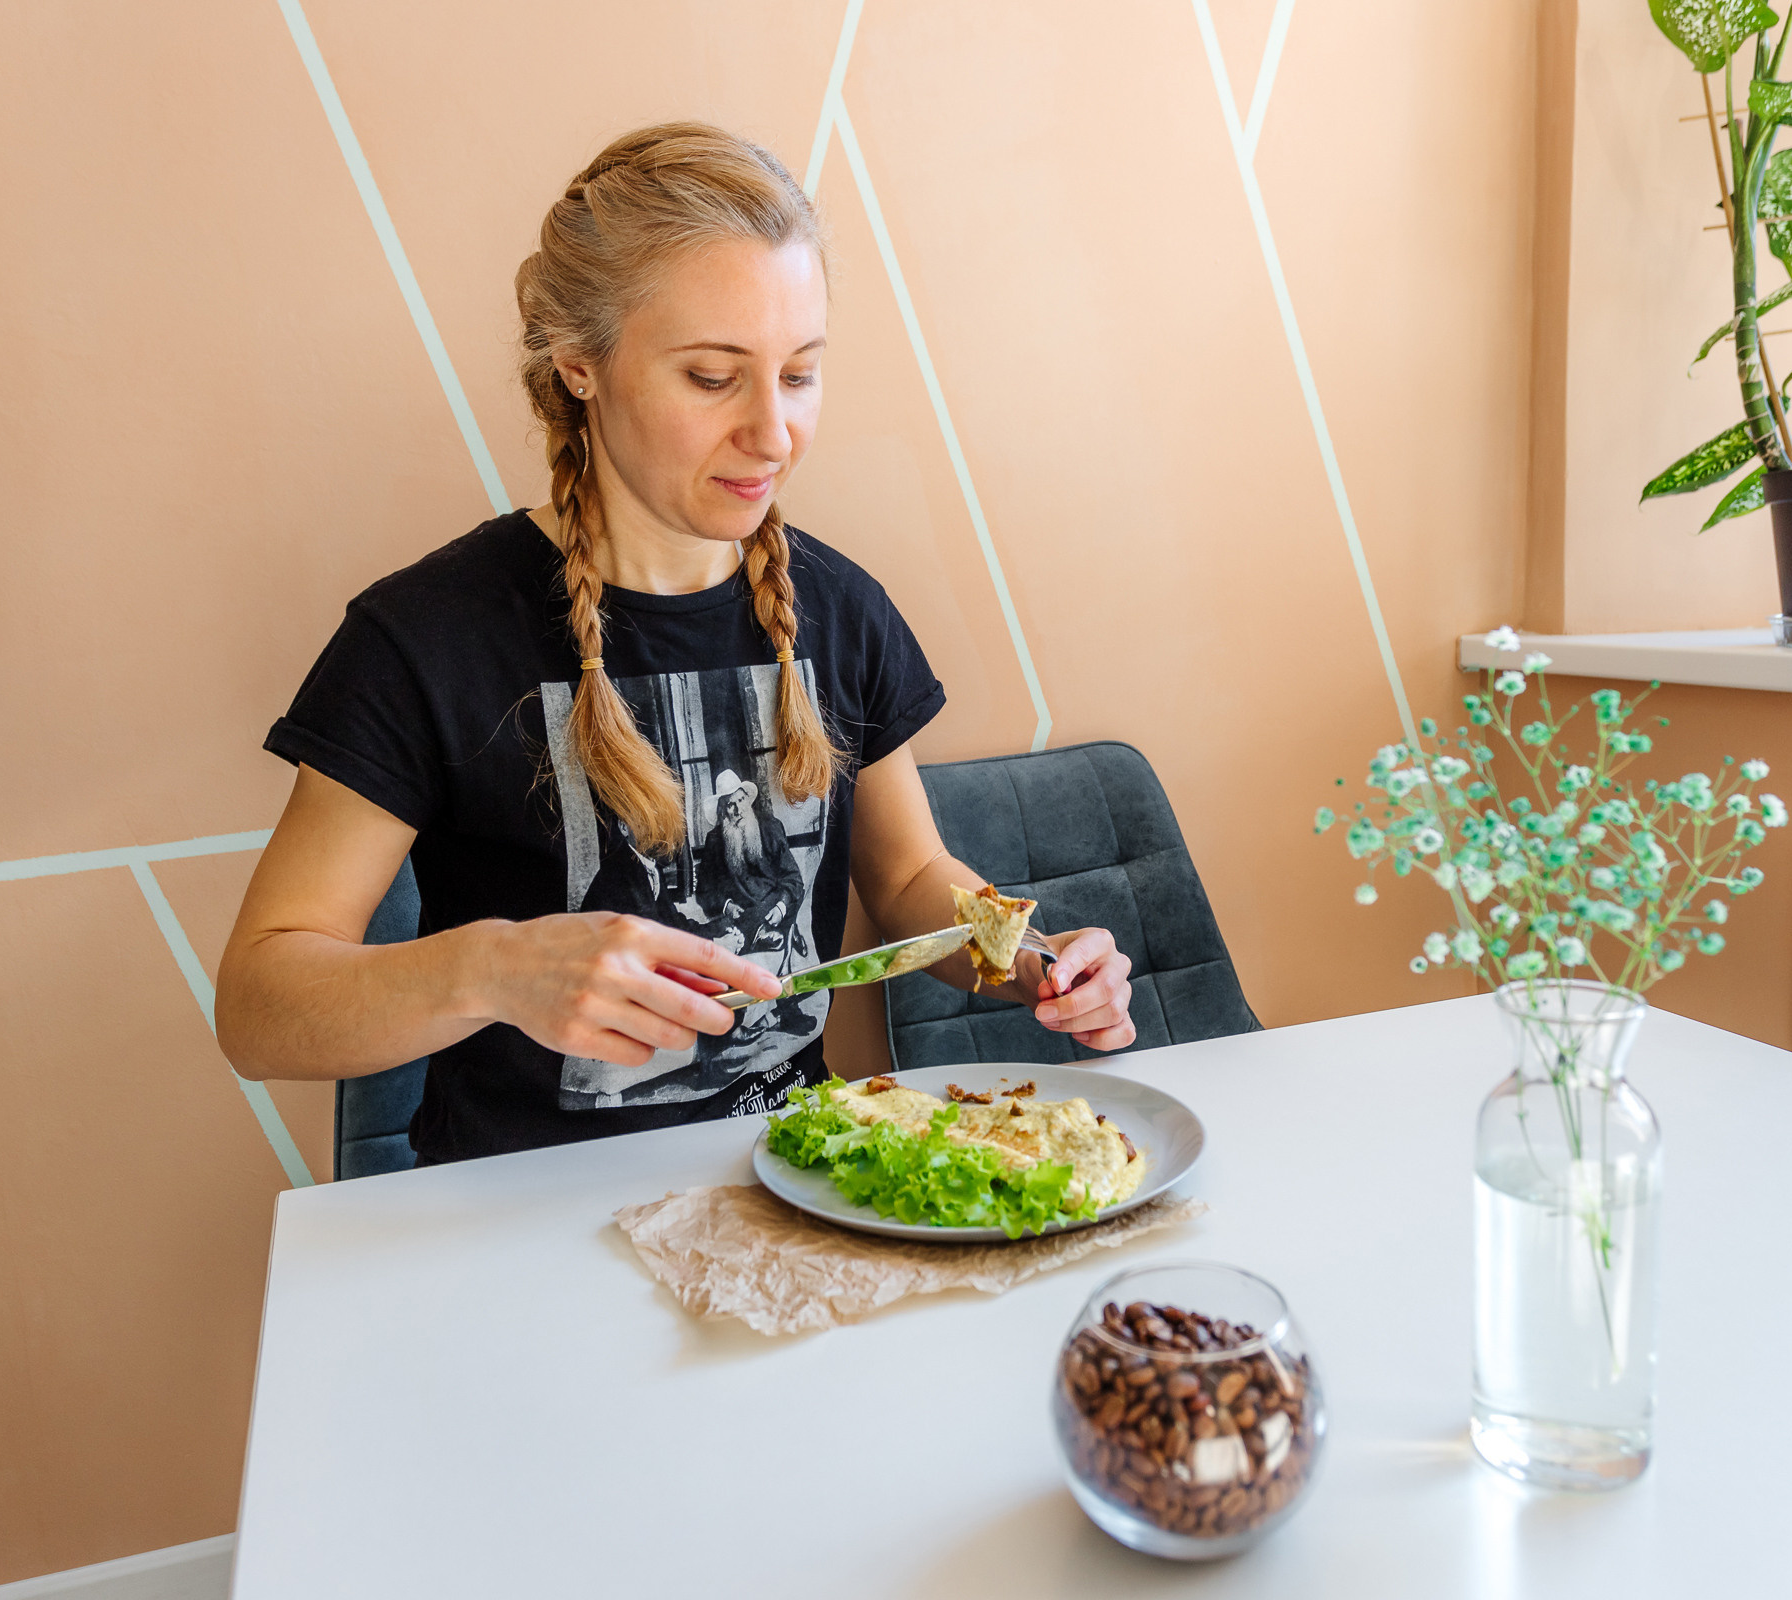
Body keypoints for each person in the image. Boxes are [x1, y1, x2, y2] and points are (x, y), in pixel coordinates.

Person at [215, 122, 1135, 1162]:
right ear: (579, 365)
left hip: (799, 1180)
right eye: (712, 378)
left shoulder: (842, 607)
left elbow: (914, 873)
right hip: (519, 1224)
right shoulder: (421, 639)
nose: (774, 434)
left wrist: (1026, 955)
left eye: (799, 375)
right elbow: (258, 1004)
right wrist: (498, 970)